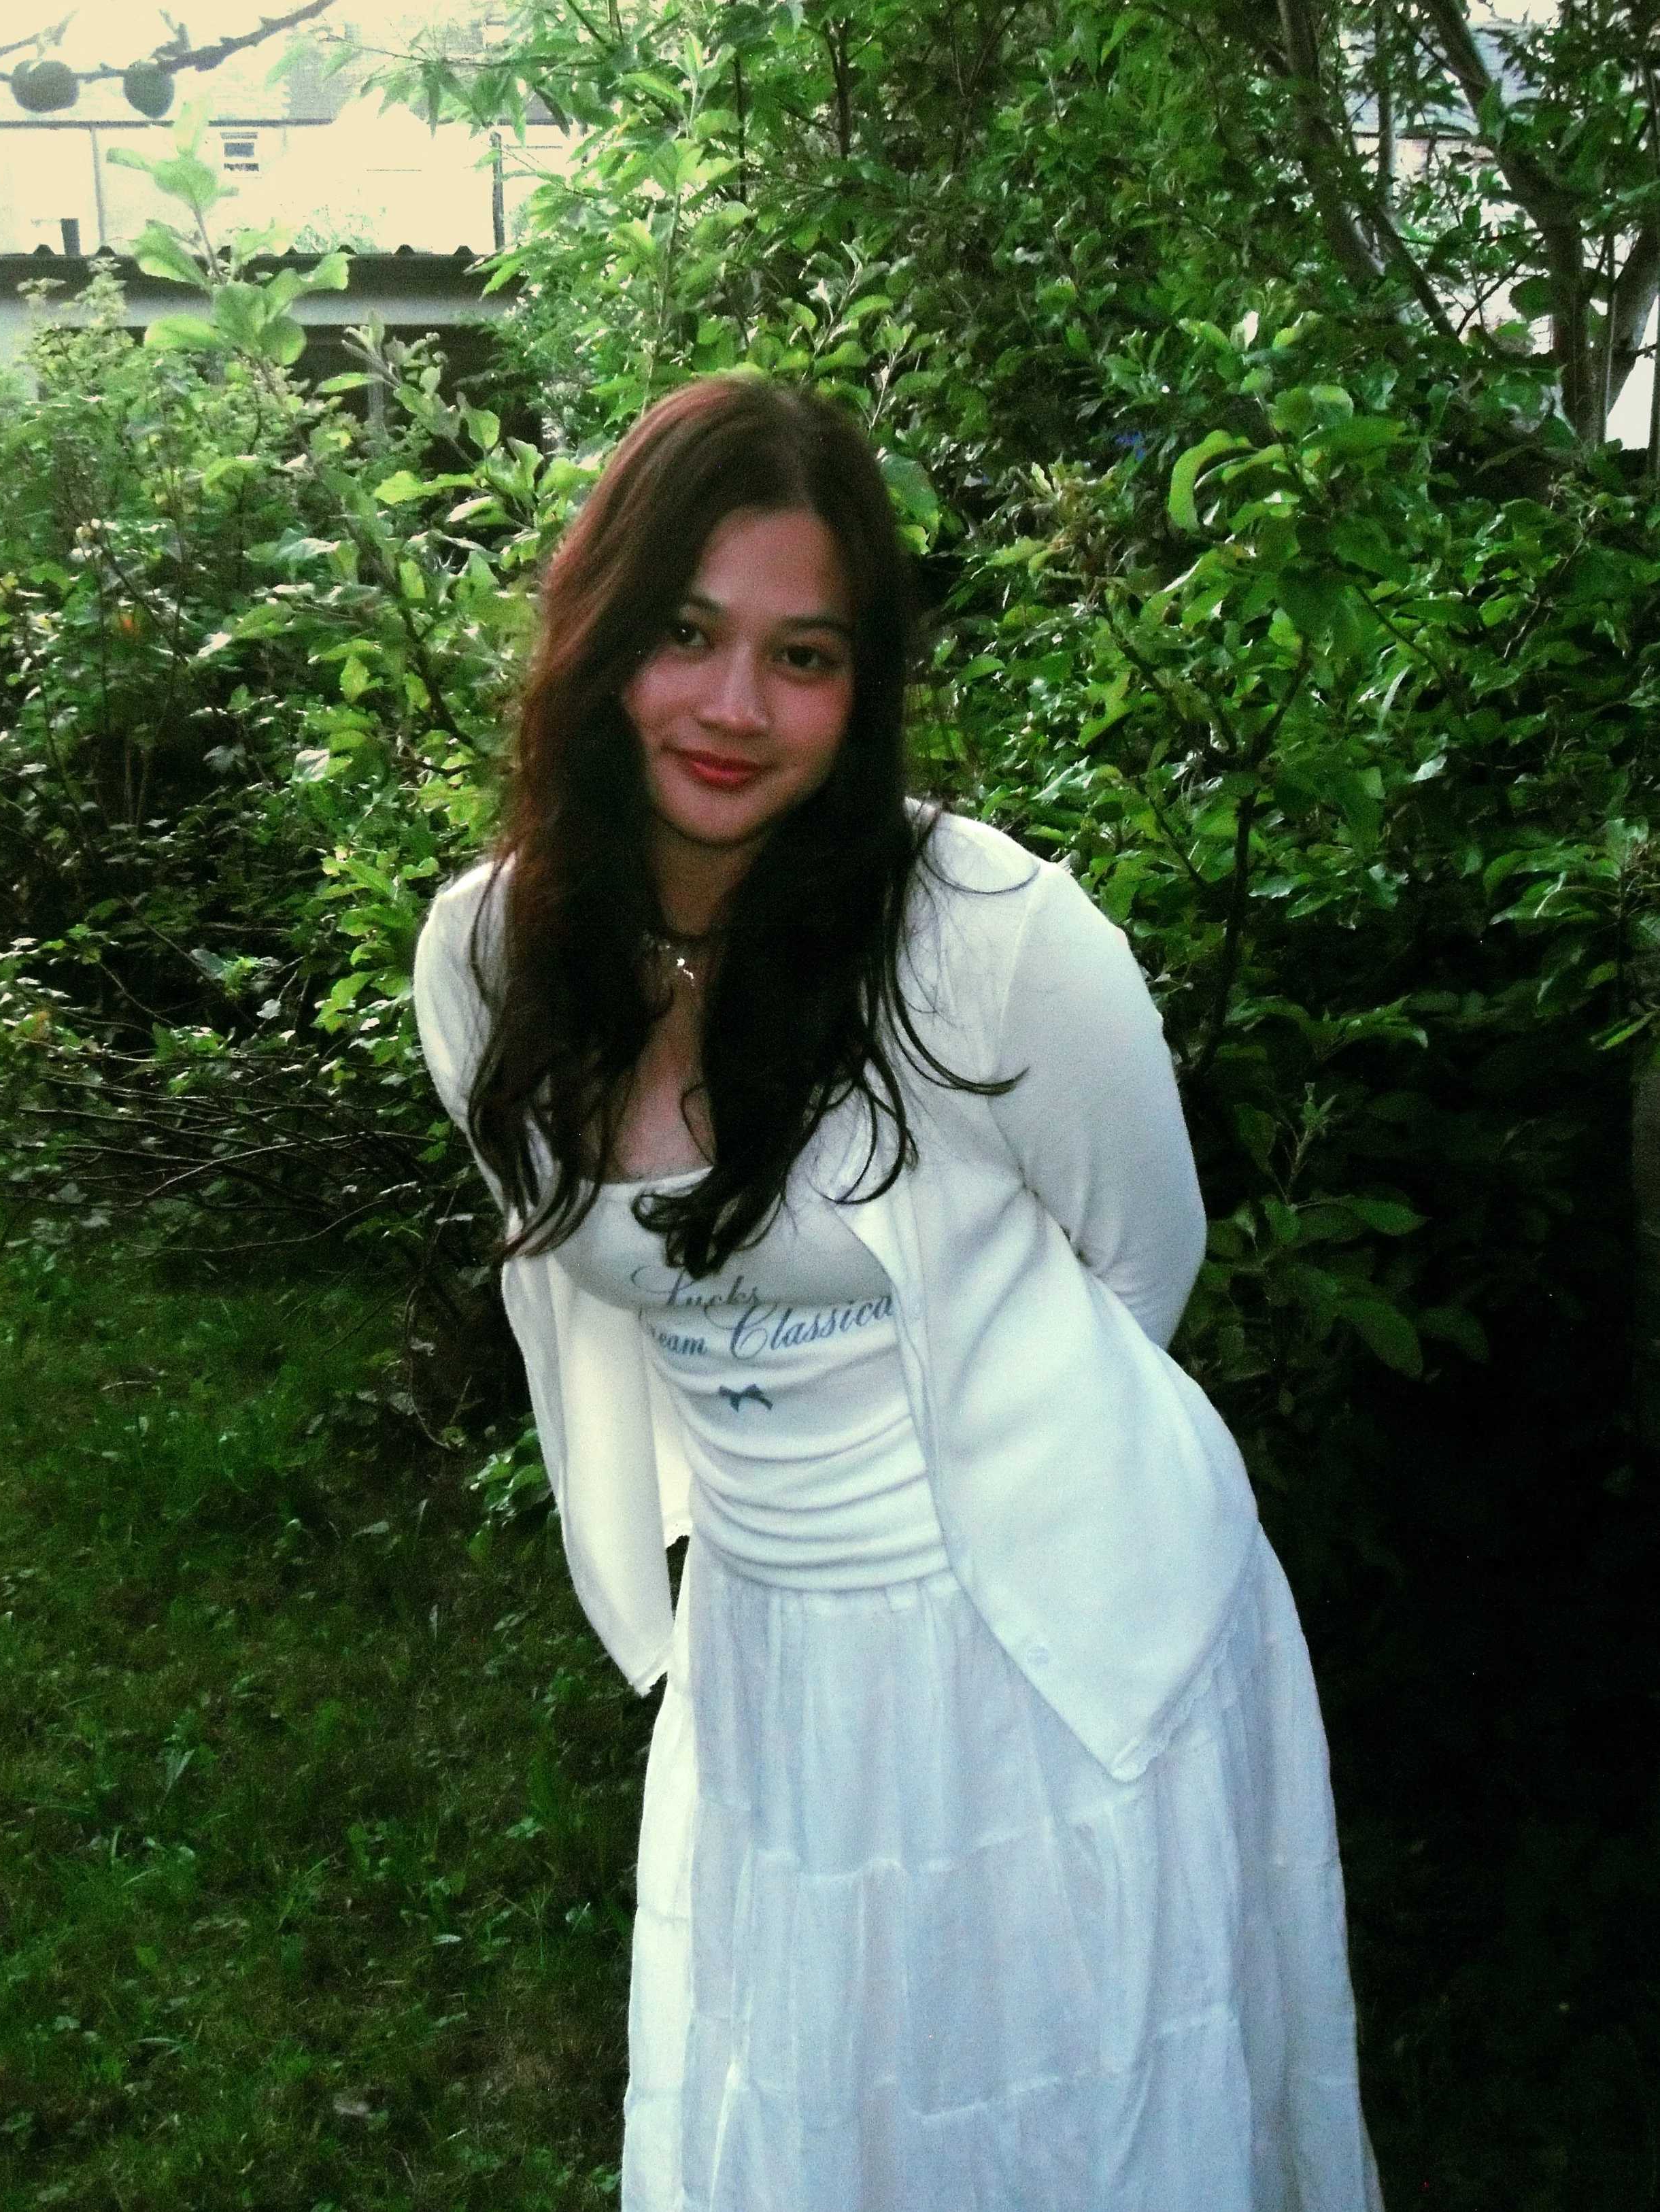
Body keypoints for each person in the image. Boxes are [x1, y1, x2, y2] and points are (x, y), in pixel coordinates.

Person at [412, 377, 1384, 2211]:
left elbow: (1138, 1267)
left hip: (1063, 1651)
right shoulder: (486, 953)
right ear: (599, 633)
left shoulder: (994, 941)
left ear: (859, 697)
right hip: (771, 1654)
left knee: (1066, 2122)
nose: (730, 707)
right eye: (685, 635)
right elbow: (597, 1272)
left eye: (802, 655)